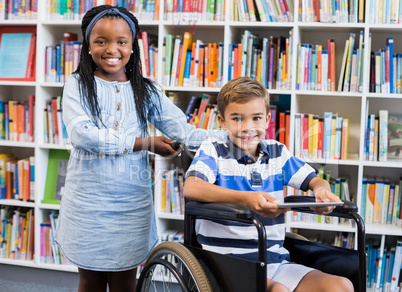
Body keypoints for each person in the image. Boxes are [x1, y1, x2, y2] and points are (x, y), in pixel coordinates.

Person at [54, 5, 225, 292]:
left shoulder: (146, 89)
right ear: (87, 46)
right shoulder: (77, 85)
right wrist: (146, 143)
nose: (112, 49)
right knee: (91, 280)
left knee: (125, 281)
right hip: (88, 204)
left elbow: (186, 132)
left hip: (130, 203)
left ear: (133, 47)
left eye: (121, 42)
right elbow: (83, 136)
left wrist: (235, 137)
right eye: (101, 41)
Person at [183, 77, 354, 292]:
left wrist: (322, 191)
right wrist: (246, 199)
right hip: (227, 262)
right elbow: (192, 187)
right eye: (237, 119)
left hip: (274, 259)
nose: (247, 127)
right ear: (222, 121)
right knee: (278, 291)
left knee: (341, 286)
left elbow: (314, 180)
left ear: (267, 119)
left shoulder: (277, 152)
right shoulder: (213, 149)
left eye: (256, 118)